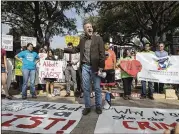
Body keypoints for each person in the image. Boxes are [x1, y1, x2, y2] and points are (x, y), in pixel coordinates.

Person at [64, 21, 105, 115]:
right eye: (87, 27)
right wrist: (65, 49)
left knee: (97, 88)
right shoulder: (82, 40)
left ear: (92, 28)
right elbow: (76, 49)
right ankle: (87, 106)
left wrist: (101, 67)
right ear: (84, 30)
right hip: (85, 67)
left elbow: (102, 54)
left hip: (95, 67)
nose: (89, 28)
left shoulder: (99, 39)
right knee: (86, 88)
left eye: (90, 27)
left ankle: (98, 106)